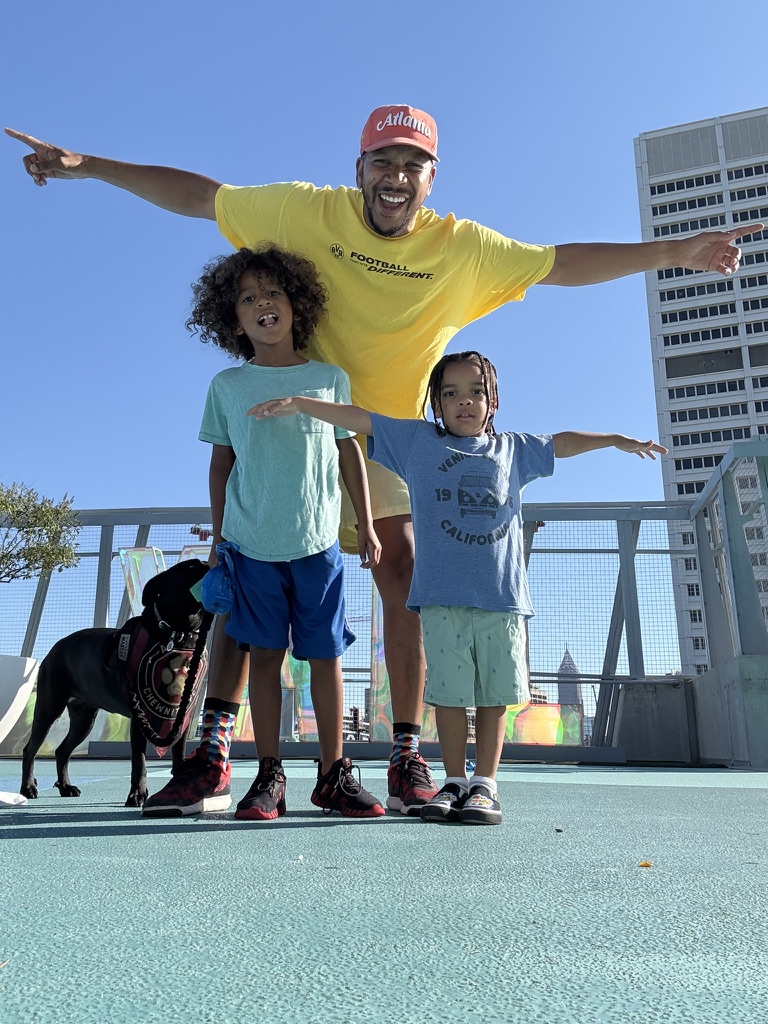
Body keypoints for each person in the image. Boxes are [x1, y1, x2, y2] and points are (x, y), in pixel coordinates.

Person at [5, 109, 760, 817]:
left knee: (399, 570)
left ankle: (404, 756)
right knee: (239, 586)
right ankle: (212, 753)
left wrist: (672, 252)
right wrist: (88, 165)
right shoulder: (306, 210)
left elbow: (561, 262)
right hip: (293, 430)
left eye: (414, 164)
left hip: (390, 439)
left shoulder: (462, 247)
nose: (396, 175)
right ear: (360, 166)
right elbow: (204, 197)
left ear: (430, 179)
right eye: (383, 161)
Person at [248, 350, 668, 825]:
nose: (464, 402)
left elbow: (563, 442)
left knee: (492, 697)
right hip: (441, 601)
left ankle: (484, 785)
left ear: (493, 400)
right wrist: (304, 403)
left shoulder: (514, 449)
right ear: (436, 403)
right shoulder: (418, 443)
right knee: (448, 695)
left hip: (501, 601)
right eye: (450, 393)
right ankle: (453, 780)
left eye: (476, 392)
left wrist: (616, 440)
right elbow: (362, 419)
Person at [143, 243, 384, 820]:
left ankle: (333, 774)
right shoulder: (226, 386)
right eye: (248, 298)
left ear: (297, 303)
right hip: (251, 548)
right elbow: (221, 463)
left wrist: (367, 525)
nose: (262, 303)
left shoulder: (329, 378)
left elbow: (350, 456)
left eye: (273, 292)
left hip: (319, 545)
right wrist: (222, 534)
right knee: (266, 662)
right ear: (233, 318)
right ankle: (269, 776)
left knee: (325, 659)